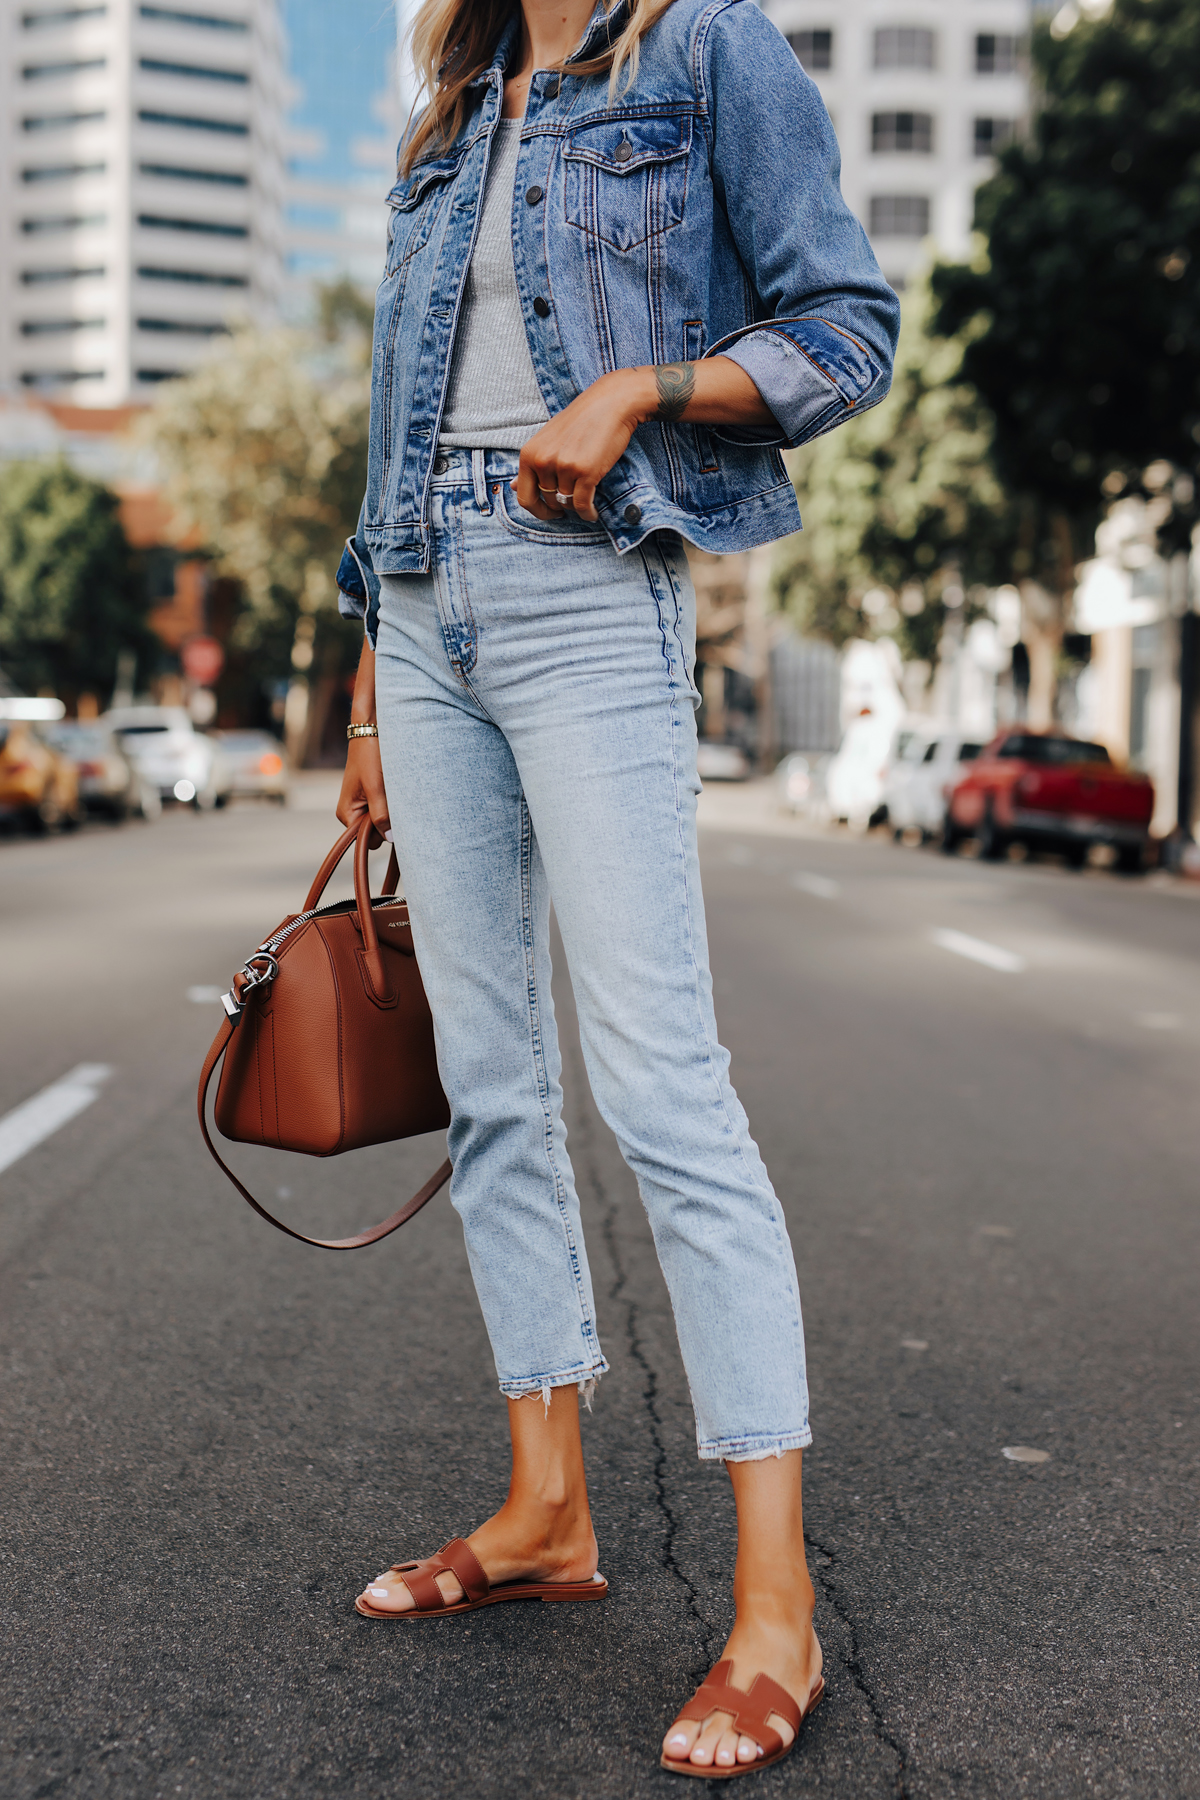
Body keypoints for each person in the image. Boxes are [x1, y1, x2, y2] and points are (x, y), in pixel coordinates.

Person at [335, 0, 898, 1777]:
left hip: (590, 585)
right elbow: (395, 412)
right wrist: (365, 677)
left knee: (661, 1086)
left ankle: (774, 1612)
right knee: (492, 1082)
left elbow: (848, 329)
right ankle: (546, 1511)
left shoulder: (706, 50)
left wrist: (645, 385)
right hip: (423, 603)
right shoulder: (459, 99)